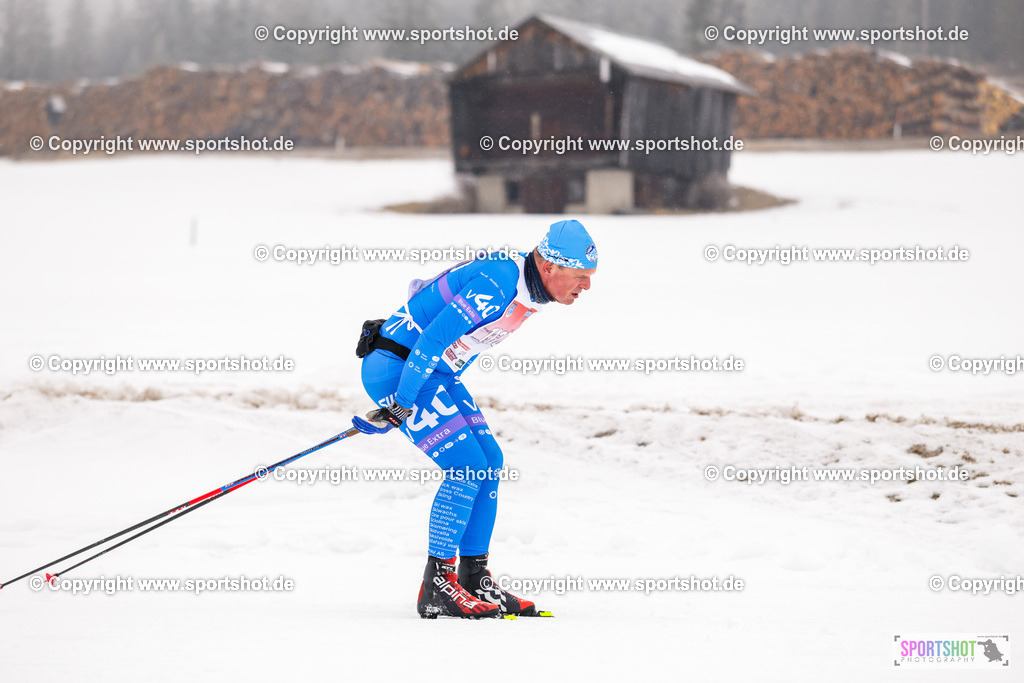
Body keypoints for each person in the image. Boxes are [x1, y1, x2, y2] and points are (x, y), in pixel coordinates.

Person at [352, 219, 598, 619]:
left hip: (434, 372)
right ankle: (437, 584)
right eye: (580, 275)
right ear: (550, 266)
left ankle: (473, 577)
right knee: (465, 465)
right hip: (398, 369)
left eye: (590, 276)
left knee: (489, 461)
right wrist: (403, 402)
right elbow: (432, 339)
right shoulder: (498, 281)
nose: (586, 286)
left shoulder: (526, 286)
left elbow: (462, 343)